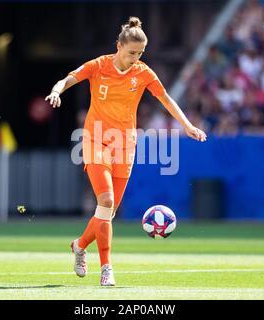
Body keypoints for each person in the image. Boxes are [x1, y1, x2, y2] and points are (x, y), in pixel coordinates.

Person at [45, 17, 207, 286]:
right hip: (96, 141)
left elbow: (166, 98)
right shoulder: (99, 66)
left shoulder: (143, 73)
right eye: (132, 52)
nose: (136, 58)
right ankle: (107, 267)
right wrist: (56, 90)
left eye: (140, 53)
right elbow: (69, 78)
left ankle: (79, 246)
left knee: (107, 212)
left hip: (125, 145)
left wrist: (188, 126)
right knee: (106, 201)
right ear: (118, 46)